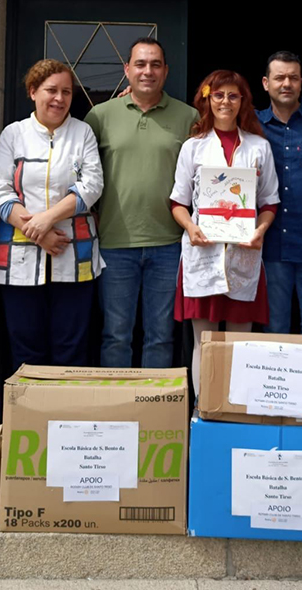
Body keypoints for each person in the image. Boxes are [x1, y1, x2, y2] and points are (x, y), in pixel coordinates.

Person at [85, 37, 197, 367]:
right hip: (114, 244)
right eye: (140, 64)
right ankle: (115, 401)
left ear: (166, 71)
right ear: (127, 70)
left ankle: (154, 401)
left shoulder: (188, 117)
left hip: (169, 244)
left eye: (155, 65)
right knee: (115, 335)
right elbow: (80, 174)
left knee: (161, 336)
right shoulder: (100, 116)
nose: (148, 71)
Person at [0, 59, 104, 369]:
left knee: (71, 349)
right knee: (26, 348)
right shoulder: (14, 134)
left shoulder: (82, 133)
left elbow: (92, 186)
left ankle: (65, 403)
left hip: (74, 256)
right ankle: (29, 403)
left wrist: (47, 219)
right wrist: (38, 233)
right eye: (51, 90)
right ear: (32, 92)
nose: (59, 98)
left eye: (66, 92)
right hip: (20, 258)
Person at [170, 70, 279, 394]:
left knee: (239, 344)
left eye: (233, 95)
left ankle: (234, 408)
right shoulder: (193, 147)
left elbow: (270, 201)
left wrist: (261, 229)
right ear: (207, 99)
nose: (225, 102)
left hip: (244, 254)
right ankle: (203, 409)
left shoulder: (259, 147)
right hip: (203, 254)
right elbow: (178, 202)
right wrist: (191, 227)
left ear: (243, 101)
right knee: (204, 343)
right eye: (218, 95)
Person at [257, 51, 302, 335]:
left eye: (293, 78)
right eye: (279, 78)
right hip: (270, 245)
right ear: (266, 83)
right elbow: (214, 120)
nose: (286, 83)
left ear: (301, 82)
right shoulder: (251, 124)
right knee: (274, 329)